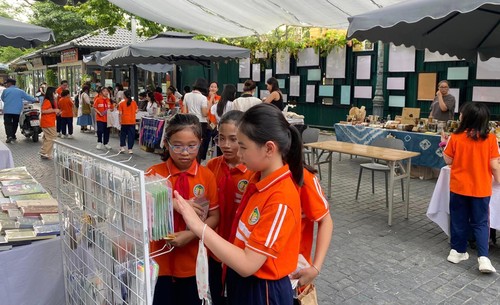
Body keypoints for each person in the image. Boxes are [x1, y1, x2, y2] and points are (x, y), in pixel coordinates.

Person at [175, 103, 304, 305]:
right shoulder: (259, 181)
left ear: (269, 148)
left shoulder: (280, 198)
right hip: (242, 280)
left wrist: (198, 227)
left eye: (242, 146)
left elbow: (247, 263)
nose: (239, 153)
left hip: (263, 290)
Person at [146, 113, 220, 305]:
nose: (185, 152)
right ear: (166, 143)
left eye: (192, 145)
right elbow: (138, 206)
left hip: (193, 262)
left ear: (200, 143)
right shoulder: (154, 174)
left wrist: (192, 234)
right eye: (177, 146)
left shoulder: (207, 176)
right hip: (159, 261)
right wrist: (172, 202)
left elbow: (214, 216)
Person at [443, 102, 500, 273]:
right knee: (481, 222)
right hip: (481, 188)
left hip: (458, 187)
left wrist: (445, 142)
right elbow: (495, 166)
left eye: (461, 114)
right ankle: (483, 258)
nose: (459, 116)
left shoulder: (456, 137)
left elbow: (448, 160)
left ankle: (457, 251)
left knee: (458, 219)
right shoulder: (490, 139)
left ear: (466, 118)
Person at [206, 110, 254, 304]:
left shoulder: (253, 172)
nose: (225, 145)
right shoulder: (212, 166)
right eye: (221, 138)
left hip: (241, 255)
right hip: (214, 250)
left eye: (233, 139)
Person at [290, 165, 333, 298]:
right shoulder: (256, 173)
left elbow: (325, 220)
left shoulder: (303, 178)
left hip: (294, 273)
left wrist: (315, 268)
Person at [183, 78, 210, 162]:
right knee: (200, 144)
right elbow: (204, 113)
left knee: (190, 143)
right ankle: (198, 161)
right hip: (201, 123)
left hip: (190, 121)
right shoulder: (203, 98)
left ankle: (189, 159)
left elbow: (184, 112)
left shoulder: (187, 95)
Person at [1, 78, 37, 143]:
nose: (6, 85)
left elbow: (2, 99)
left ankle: (9, 136)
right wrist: (35, 100)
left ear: (10, 83)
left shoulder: (5, 91)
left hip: (7, 110)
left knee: (7, 123)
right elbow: (28, 97)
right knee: (15, 123)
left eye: (7, 83)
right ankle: (13, 135)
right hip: (16, 111)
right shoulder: (20, 91)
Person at [39, 86, 60, 159]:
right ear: (52, 93)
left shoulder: (51, 100)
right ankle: (45, 153)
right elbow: (43, 111)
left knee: (47, 137)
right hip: (48, 122)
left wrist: (56, 112)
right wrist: (54, 110)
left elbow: (48, 110)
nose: (56, 94)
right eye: (55, 92)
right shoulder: (47, 101)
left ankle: (45, 152)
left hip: (48, 122)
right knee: (52, 137)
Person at [118, 90, 138, 154]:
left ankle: (122, 147)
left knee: (123, 134)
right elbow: (136, 111)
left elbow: (120, 113)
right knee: (131, 135)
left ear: (124, 96)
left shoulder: (121, 103)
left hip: (124, 121)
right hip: (132, 121)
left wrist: (120, 120)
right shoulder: (134, 102)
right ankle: (130, 149)